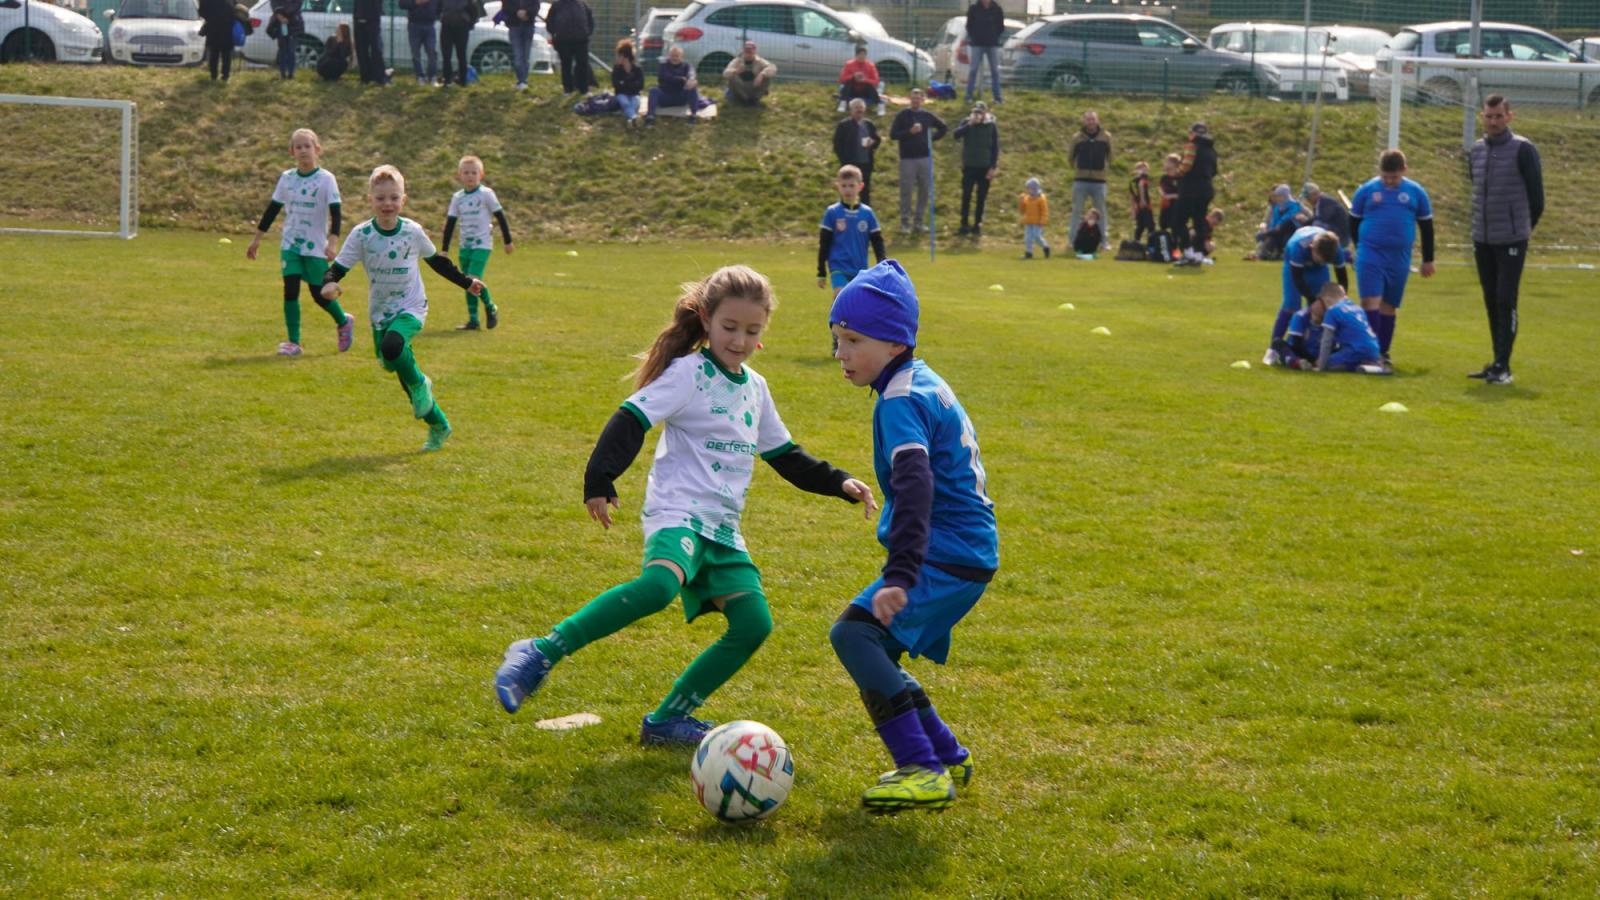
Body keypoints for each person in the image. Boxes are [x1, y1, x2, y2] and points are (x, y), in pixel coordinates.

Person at [493, 265, 878, 747]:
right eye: (729, 327)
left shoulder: (755, 389)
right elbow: (631, 417)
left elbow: (785, 455)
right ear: (706, 320)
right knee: (659, 587)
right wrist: (600, 479)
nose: (739, 340)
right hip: (678, 512)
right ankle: (540, 651)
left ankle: (667, 721)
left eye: (752, 330)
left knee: (754, 624)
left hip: (723, 528)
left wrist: (839, 482)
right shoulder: (689, 373)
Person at [826, 260, 998, 813]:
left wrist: (900, 573)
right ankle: (945, 753)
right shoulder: (920, 380)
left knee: (854, 636)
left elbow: (916, 484)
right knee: (874, 645)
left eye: (854, 340)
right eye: (837, 339)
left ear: (896, 341)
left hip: (945, 554)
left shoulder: (900, 399)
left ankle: (922, 769)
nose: (841, 353)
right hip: (963, 550)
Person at [321, 165, 483, 451]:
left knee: (394, 349)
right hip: (380, 313)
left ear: (403, 200)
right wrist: (329, 283)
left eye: (394, 198)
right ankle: (439, 424)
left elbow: (437, 262)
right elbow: (338, 268)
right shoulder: (362, 235)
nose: (388, 204)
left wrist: (466, 282)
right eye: (381, 198)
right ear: (370, 199)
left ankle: (422, 383)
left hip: (411, 306)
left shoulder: (412, 231)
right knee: (393, 364)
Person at [245, 128, 352, 358]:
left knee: (319, 294)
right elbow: (272, 210)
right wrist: (257, 240)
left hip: (315, 247)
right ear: (291, 151)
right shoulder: (287, 179)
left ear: (317, 149)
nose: (303, 150)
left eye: (307, 146)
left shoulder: (326, 179)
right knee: (290, 289)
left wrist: (332, 243)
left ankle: (343, 321)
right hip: (290, 244)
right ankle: (294, 343)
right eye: (298, 147)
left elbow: (336, 214)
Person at [1467, 94, 1543, 385]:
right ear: (1482, 117)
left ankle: (1504, 366)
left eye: (1499, 116)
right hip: (1483, 238)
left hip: (1511, 239)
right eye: (1489, 116)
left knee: (1505, 299)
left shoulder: (1523, 149)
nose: (1493, 121)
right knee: (1490, 299)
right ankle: (1497, 361)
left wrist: (1520, 229)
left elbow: (1537, 199)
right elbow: (1476, 189)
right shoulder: (1476, 150)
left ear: (1509, 117)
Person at [1349, 149, 1435, 365]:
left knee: (1388, 304)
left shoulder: (1416, 192)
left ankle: (1383, 352)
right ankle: (1369, 351)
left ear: (1404, 170)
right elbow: (1353, 221)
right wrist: (1359, 248)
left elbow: (1426, 226)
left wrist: (1428, 259)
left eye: (1394, 177)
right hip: (1370, 252)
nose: (1389, 181)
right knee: (1370, 300)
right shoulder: (1366, 190)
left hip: (1399, 257)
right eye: (1385, 177)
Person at [441, 155, 510, 331]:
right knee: (467, 282)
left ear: (481, 174)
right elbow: (450, 223)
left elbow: (500, 217)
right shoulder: (458, 198)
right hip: (465, 246)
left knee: (473, 278)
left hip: (482, 244)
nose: (470, 176)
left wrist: (508, 241)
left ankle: (491, 306)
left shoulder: (486, 194)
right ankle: (473, 320)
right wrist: (444, 249)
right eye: (466, 173)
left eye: (474, 172)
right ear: (459, 175)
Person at [1264, 225, 1349, 365]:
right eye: (1320, 259)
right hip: (1294, 267)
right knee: (1291, 305)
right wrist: (1312, 299)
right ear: (1312, 247)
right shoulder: (1298, 247)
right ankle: (1273, 349)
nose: (1321, 262)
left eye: (1325, 261)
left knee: (1322, 308)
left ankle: (1311, 348)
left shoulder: (1336, 250)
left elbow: (1342, 278)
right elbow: (1297, 279)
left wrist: (1341, 300)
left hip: (1318, 271)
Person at [818, 165, 886, 297]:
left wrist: (882, 263)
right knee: (840, 295)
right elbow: (824, 243)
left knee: (856, 302)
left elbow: (877, 241)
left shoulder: (867, 213)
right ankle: (837, 311)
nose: (847, 189)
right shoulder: (832, 212)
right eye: (844, 186)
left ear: (860, 186)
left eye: (851, 185)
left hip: (860, 269)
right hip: (838, 266)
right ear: (838, 186)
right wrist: (821, 270)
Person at [888, 88, 947, 234]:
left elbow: (943, 127)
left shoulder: (927, 115)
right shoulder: (902, 115)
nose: (915, 101)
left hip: (924, 158)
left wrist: (931, 139)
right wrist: (909, 132)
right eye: (913, 98)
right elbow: (893, 135)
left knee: (924, 190)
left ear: (922, 100)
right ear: (910, 99)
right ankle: (905, 223)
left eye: (918, 98)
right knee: (906, 191)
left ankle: (918, 222)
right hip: (907, 159)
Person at [1307, 284, 1388, 374]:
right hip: (1374, 349)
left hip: (1356, 349)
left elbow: (1326, 341)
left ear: (1327, 299)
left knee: (1329, 362)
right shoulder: (1357, 308)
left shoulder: (1332, 311)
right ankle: (1373, 365)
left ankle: (1360, 366)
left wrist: (1321, 366)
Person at [1066, 110, 1112, 251]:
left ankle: (1104, 242)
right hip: (1080, 180)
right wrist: (1079, 168)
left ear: (1097, 121)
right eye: (1088, 119)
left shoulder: (1106, 137)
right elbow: (1070, 157)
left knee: (1101, 212)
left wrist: (1103, 169)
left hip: (1099, 181)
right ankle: (1072, 241)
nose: (1090, 122)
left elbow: (1111, 156)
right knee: (1076, 211)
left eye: (1093, 119)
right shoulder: (1077, 137)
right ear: (1084, 121)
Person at [953, 101, 999, 238]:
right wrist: (969, 124)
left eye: (980, 112)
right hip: (969, 166)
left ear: (985, 113)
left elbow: (995, 148)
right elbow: (956, 135)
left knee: (981, 197)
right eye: (975, 112)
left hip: (984, 167)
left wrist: (993, 167)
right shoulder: (966, 122)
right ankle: (964, 224)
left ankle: (977, 224)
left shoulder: (991, 126)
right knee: (966, 195)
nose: (977, 115)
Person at [1173, 122, 1217, 266]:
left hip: (1190, 190)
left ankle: (1188, 252)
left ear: (1193, 133)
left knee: (1179, 221)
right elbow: (1214, 171)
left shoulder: (1192, 146)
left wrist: (1176, 173)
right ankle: (1199, 254)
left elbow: (1186, 166)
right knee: (1199, 223)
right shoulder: (1211, 150)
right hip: (1206, 189)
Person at [833, 98, 882, 208]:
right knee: (847, 189)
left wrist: (873, 143)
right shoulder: (844, 125)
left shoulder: (869, 124)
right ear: (851, 110)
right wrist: (844, 161)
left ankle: (864, 212)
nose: (859, 110)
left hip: (866, 163)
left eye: (861, 108)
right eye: (856, 108)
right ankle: (844, 211)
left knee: (865, 190)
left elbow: (877, 139)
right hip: (849, 164)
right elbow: (837, 145)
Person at [546, 0, 596, 95]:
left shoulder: (582, 4)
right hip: (563, 41)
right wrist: (556, 33)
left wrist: (587, 32)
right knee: (566, 65)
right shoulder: (557, 5)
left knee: (582, 64)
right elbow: (549, 22)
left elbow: (590, 20)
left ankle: (584, 89)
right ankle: (567, 89)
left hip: (581, 40)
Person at [645, 45, 701, 126]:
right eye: (672, 55)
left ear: (681, 56)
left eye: (677, 56)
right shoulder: (663, 65)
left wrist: (691, 80)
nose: (674, 58)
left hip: (680, 97)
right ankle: (650, 117)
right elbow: (666, 77)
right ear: (669, 55)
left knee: (693, 87)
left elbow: (692, 73)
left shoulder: (686, 65)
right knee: (653, 90)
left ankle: (693, 116)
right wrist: (682, 79)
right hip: (665, 96)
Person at [963, 0, 1004, 104]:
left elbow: (1001, 26)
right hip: (977, 44)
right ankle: (968, 96)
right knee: (973, 70)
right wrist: (975, 36)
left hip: (992, 44)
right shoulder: (974, 9)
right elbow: (969, 25)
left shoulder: (997, 9)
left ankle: (997, 97)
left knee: (995, 71)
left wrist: (994, 36)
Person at [1250, 184, 1302, 261]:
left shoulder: (1295, 206)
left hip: (1290, 233)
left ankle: (1281, 253)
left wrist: (1266, 233)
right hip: (1277, 233)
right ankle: (1263, 254)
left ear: (1284, 196)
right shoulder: (1277, 208)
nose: (1277, 198)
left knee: (1278, 234)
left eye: (1279, 196)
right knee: (1271, 237)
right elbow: (1274, 223)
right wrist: (1268, 231)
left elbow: (1284, 222)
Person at [723, 40, 776, 107]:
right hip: (740, 87)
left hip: (754, 86)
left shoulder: (760, 61)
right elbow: (725, 73)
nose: (748, 52)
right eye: (746, 49)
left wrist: (762, 74)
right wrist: (736, 71)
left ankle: (754, 100)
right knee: (732, 77)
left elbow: (772, 68)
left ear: (755, 50)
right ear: (743, 50)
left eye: (750, 49)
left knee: (767, 78)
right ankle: (744, 100)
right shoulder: (737, 61)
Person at [437, 0, 477, 88]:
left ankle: (463, 81)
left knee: (461, 54)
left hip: (462, 27)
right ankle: (447, 80)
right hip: (447, 27)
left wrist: (469, 24)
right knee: (446, 55)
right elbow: (438, 9)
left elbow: (474, 11)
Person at [501, 0, 540, 90]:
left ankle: (523, 80)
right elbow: (506, 8)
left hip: (528, 26)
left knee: (526, 56)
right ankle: (521, 80)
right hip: (514, 26)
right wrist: (516, 12)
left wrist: (527, 13)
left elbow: (536, 6)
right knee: (518, 56)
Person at [398, 0, 438, 86]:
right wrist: (415, 3)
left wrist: (434, 13)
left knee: (432, 52)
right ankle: (420, 76)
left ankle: (432, 77)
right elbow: (402, 4)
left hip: (429, 24)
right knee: (416, 53)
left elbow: (440, 5)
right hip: (414, 24)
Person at [837, 45, 883, 117]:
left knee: (870, 85)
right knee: (848, 82)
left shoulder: (870, 65)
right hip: (852, 90)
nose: (862, 57)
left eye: (864, 55)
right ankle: (843, 103)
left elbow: (876, 81)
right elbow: (842, 79)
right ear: (856, 55)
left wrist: (865, 80)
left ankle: (880, 104)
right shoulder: (849, 64)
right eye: (860, 54)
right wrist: (853, 76)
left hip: (865, 90)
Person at [1300, 182, 1351, 247]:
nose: (1307, 200)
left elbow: (1320, 222)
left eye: (1308, 197)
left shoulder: (1325, 203)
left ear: (1315, 194)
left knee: (1316, 230)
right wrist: (1304, 224)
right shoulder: (1319, 202)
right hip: (1335, 232)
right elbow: (1315, 218)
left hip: (1341, 237)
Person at [198, 0, 237, 82]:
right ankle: (225, 76)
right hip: (227, 27)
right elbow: (235, 8)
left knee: (214, 53)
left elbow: (202, 11)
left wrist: (209, 17)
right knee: (226, 54)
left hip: (213, 27)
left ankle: (213, 76)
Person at [352, 0, 389, 84]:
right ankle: (365, 77)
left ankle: (380, 77)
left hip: (372, 20)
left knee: (376, 50)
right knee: (361, 51)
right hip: (359, 19)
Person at [612, 38, 645, 125]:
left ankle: (631, 120)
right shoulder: (616, 69)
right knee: (625, 103)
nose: (616, 58)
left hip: (634, 94)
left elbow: (641, 85)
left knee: (635, 103)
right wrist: (631, 83)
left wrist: (624, 82)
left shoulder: (637, 69)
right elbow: (615, 84)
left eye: (618, 56)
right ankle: (634, 117)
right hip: (621, 94)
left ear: (625, 57)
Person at [267, 0, 303, 79]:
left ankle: (291, 74)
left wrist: (284, 13)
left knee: (291, 50)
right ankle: (282, 73)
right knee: (282, 50)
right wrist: (280, 17)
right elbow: (274, 4)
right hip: (279, 24)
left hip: (293, 24)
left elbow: (298, 4)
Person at [1018, 177, 1049, 259]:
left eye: (1029, 188)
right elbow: (1022, 211)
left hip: (1037, 222)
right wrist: (1021, 202)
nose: (1027, 190)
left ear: (1035, 188)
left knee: (1037, 237)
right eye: (1027, 188)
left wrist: (1043, 220)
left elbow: (1044, 211)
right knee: (1028, 238)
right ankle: (1029, 253)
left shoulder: (1041, 199)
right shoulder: (1026, 198)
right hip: (1028, 221)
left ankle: (1045, 246)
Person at [1128, 161, 1154, 244]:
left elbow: (1132, 197)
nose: (1145, 172)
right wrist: (1142, 200)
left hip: (1138, 206)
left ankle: (1137, 241)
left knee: (1141, 226)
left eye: (1146, 170)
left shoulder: (1133, 181)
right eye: (1143, 170)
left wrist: (1133, 210)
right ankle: (1150, 243)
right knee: (1149, 225)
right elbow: (1140, 187)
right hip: (1144, 205)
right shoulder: (1140, 179)